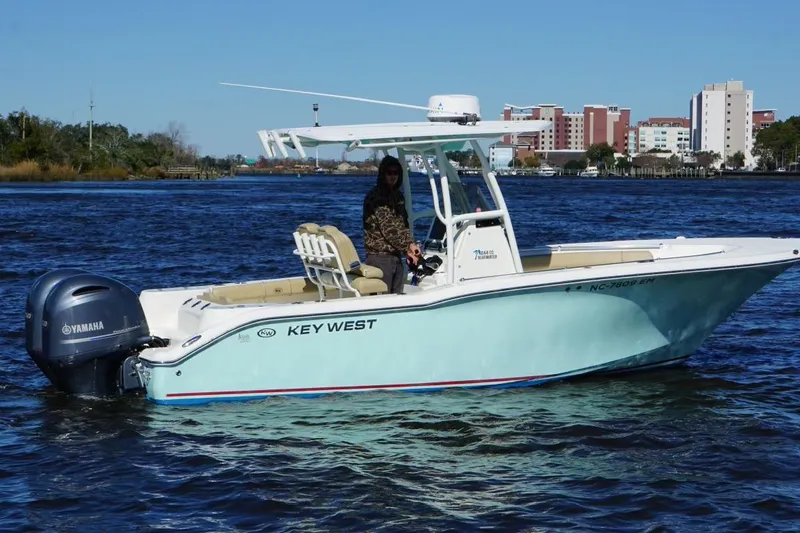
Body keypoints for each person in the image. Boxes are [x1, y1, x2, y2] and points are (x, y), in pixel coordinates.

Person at [362, 155, 421, 294]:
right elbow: (389, 228)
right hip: (379, 257)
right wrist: (407, 248)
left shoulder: (397, 196)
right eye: (389, 173)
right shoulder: (376, 197)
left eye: (396, 173)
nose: (393, 176)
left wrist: (411, 245)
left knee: (397, 296)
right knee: (383, 300)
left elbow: (402, 224)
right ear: (383, 174)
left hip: (395, 256)